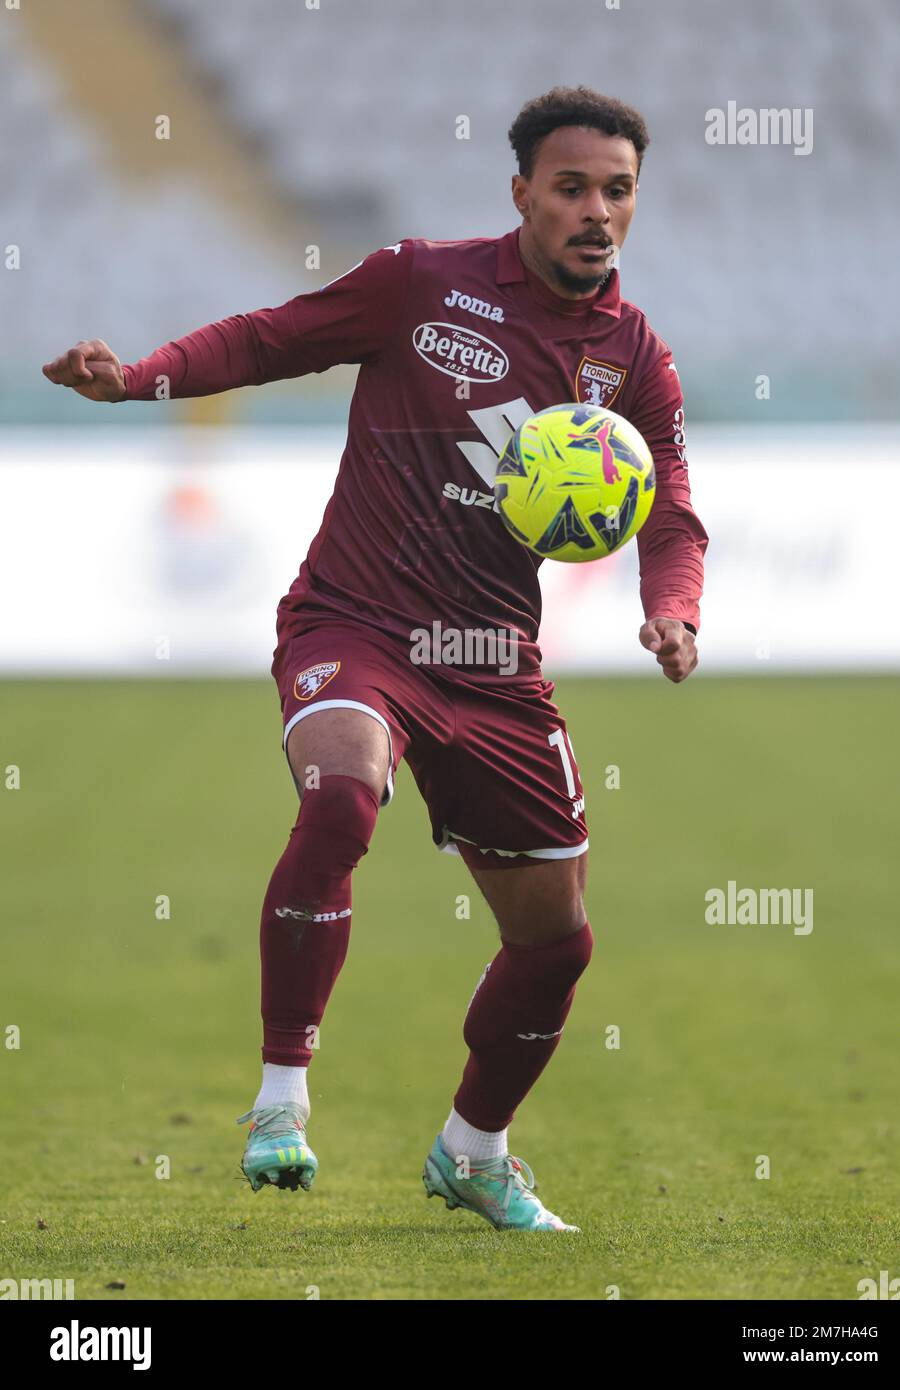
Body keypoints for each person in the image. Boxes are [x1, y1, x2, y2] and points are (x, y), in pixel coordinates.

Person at [42, 84, 708, 1232]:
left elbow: (672, 513)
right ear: (521, 195)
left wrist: (673, 607)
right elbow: (267, 338)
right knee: (343, 796)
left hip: (493, 662)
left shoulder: (633, 360)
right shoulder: (419, 281)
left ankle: (475, 1150)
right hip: (354, 624)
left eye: (617, 192)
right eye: (571, 188)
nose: (595, 212)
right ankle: (280, 1098)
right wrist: (140, 375)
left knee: (555, 945)